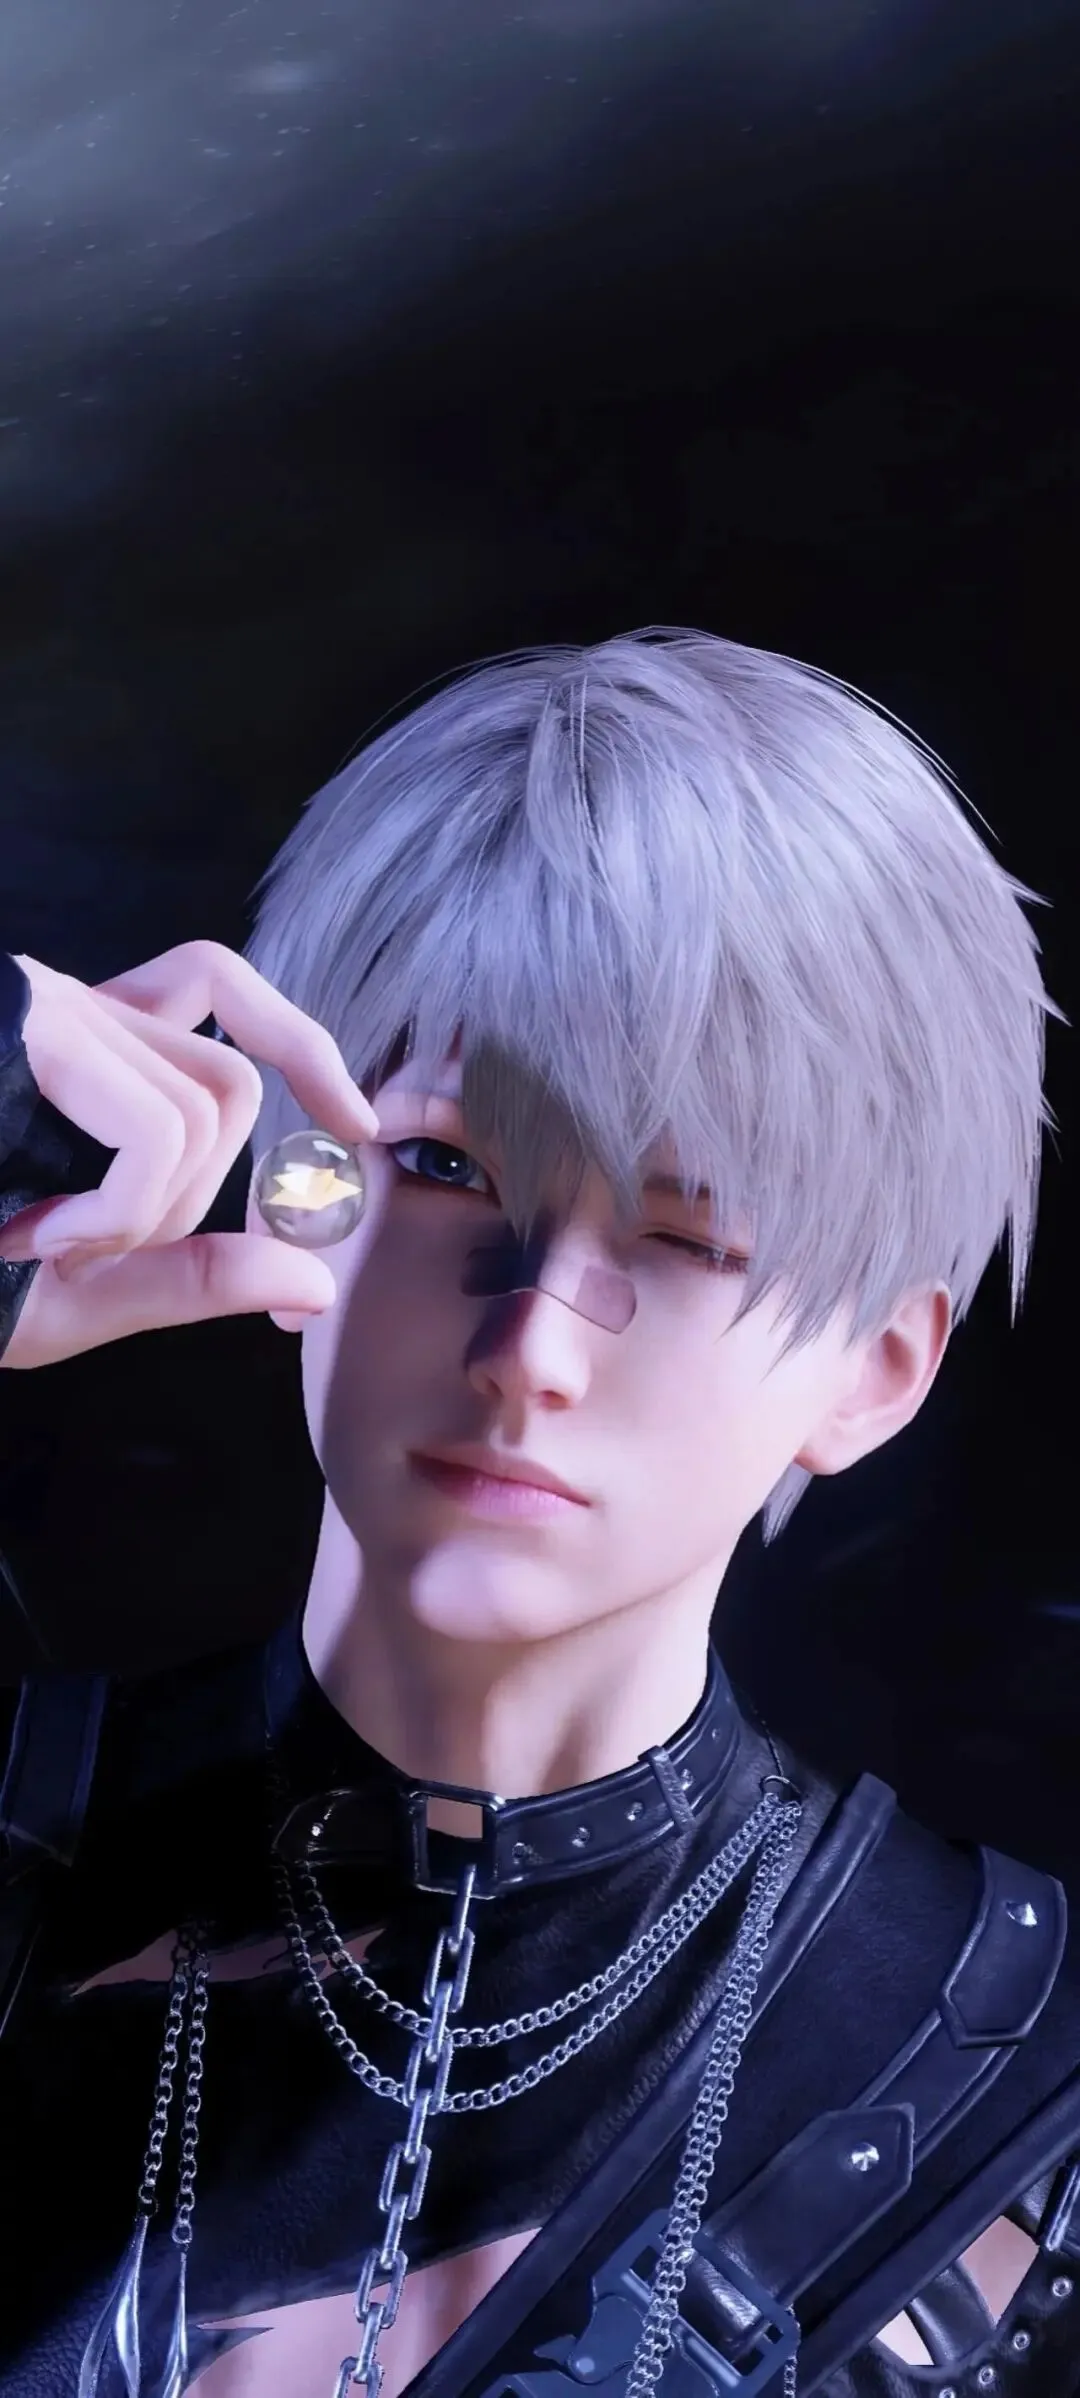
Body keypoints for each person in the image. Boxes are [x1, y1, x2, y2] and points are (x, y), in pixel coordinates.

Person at [0, 628, 1078, 2398]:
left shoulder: (1013, 2092)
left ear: (877, 1371)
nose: (529, 1347)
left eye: (689, 1235)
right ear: (293, 1178)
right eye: (443, 1165)